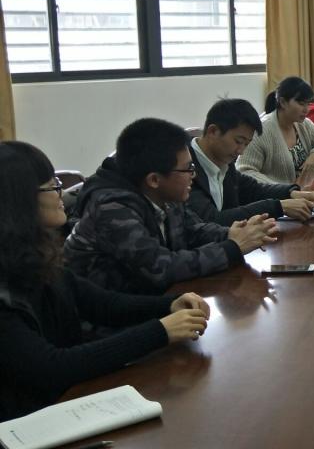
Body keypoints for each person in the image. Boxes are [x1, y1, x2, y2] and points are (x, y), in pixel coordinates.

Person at [0, 141, 213, 421]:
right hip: (25, 423)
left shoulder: (35, 255)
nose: (60, 193)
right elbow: (52, 367)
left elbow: (103, 304)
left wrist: (169, 305)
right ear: (20, 200)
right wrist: (160, 331)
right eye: (52, 186)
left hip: (61, 402)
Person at [65, 119, 277, 294]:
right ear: (154, 179)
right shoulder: (111, 208)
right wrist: (232, 248)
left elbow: (193, 230)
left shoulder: (165, 195)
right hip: (110, 323)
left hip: (154, 304)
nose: (193, 175)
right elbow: (160, 267)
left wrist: (232, 233)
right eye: (188, 168)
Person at [188, 98, 314, 226]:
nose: (241, 151)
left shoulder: (223, 159)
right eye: (238, 141)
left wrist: (290, 193)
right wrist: (279, 207)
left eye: (246, 144)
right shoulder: (185, 168)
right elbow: (211, 220)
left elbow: (251, 189)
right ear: (213, 131)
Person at [238, 76, 314, 184]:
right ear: (283, 102)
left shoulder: (303, 124)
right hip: (278, 193)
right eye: (301, 104)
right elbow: (244, 171)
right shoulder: (262, 131)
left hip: (302, 189)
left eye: (308, 104)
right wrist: (281, 188)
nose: (306, 110)